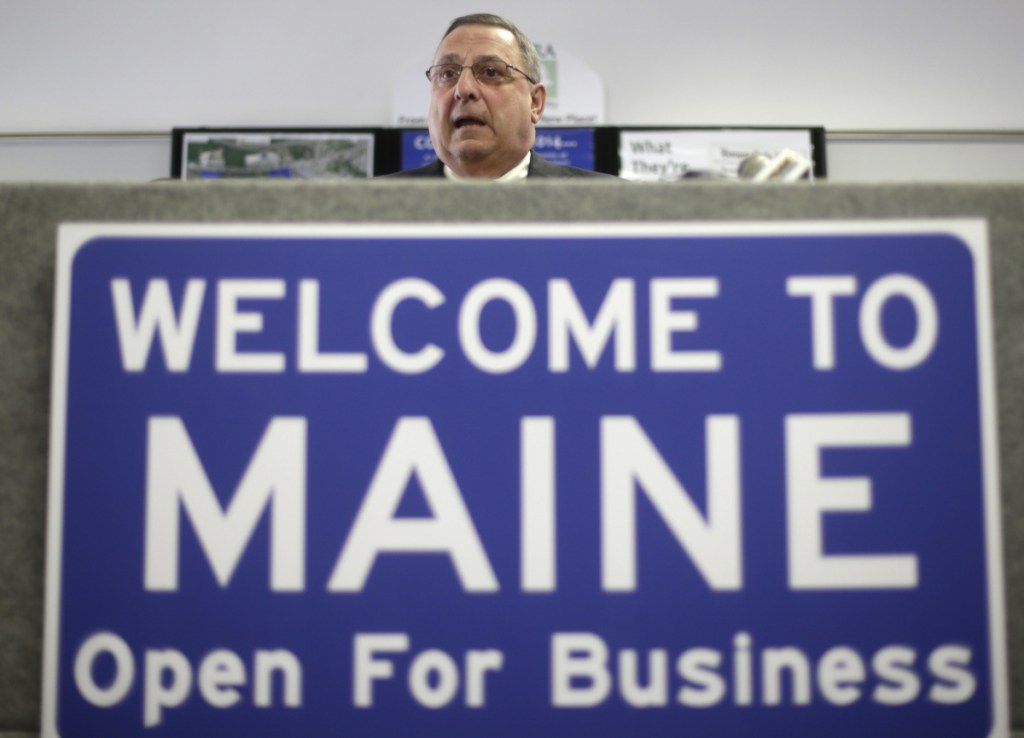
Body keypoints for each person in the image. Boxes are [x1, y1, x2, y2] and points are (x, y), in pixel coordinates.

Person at [383, 13, 615, 180]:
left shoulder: (614, 205)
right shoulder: (370, 207)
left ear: (535, 102)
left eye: (491, 72)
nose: (463, 89)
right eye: (448, 74)